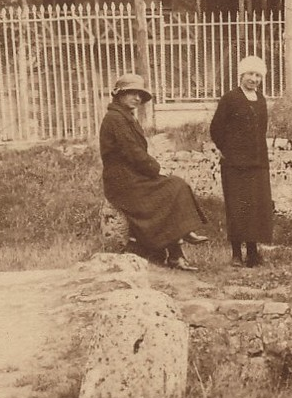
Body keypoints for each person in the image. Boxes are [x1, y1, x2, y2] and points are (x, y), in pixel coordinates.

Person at [99, 73, 208, 271]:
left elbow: (137, 153)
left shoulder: (125, 117)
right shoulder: (115, 119)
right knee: (174, 187)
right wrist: (156, 169)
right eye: (131, 93)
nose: (137, 98)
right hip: (123, 183)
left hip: (133, 176)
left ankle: (178, 249)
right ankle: (179, 246)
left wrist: (153, 170)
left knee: (174, 186)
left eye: (140, 95)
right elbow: (132, 152)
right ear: (119, 95)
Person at [210, 55, 272, 268]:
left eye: (257, 75)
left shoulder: (262, 100)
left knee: (255, 207)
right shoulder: (230, 98)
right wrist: (226, 150)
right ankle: (236, 254)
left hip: (257, 162)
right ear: (241, 75)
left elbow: (261, 130)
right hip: (234, 164)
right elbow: (216, 128)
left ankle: (253, 253)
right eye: (250, 74)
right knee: (237, 206)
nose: (253, 79)